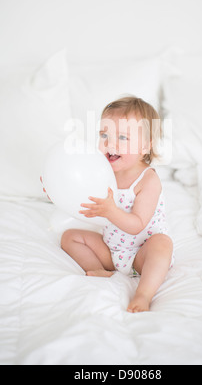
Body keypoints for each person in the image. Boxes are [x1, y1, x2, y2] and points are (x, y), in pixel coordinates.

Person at [60, 96, 174, 313]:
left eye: (122, 137)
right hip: (112, 250)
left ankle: (143, 293)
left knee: (163, 243)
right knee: (70, 237)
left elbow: (137, 224)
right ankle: (101, 271)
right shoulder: (102, 171)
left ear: (145, 147)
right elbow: (79, 195)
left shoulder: (148, 180)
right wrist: (57, 187)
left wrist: (111, 211)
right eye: (104, 135)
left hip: (142, 253)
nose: (110, 144)